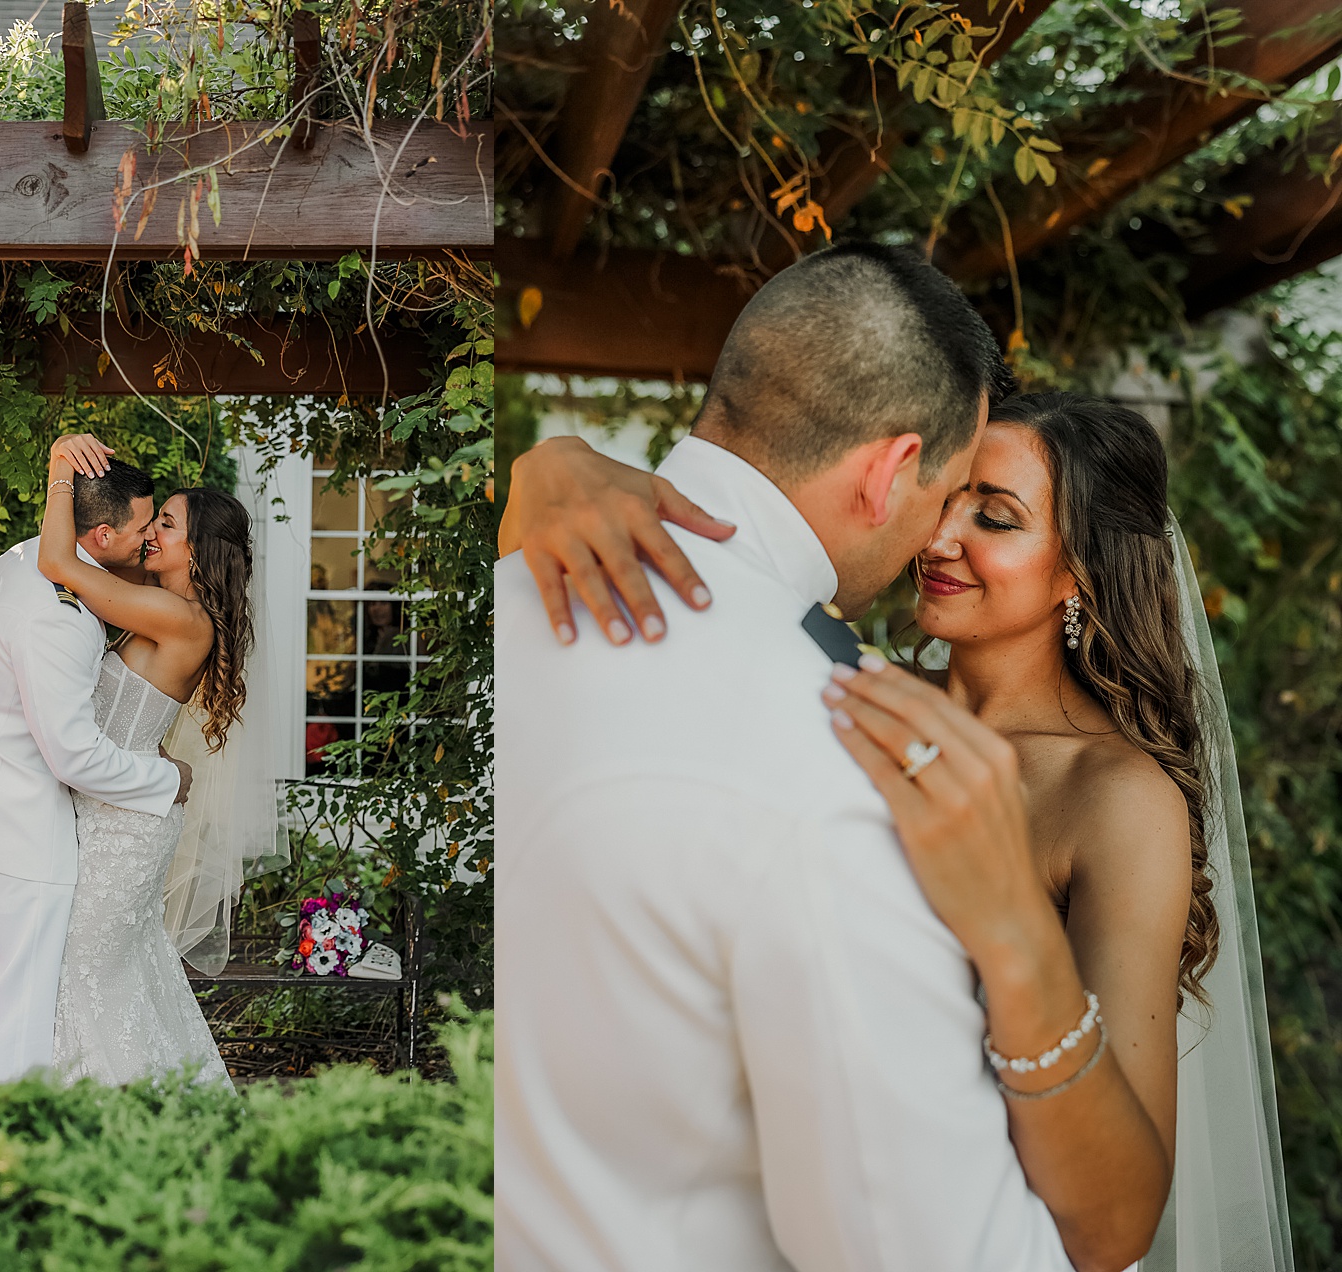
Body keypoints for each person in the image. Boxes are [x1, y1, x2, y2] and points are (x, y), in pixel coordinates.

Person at [502, 390, 1293, 1268]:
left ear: (1080, 571)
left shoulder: (1113, 793)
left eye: (994, 516)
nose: (942, 536)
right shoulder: (846, 685)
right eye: (946, 494)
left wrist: (1006, 925)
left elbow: (1123, 1202)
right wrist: (550, 468)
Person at [498, 240, 1092, 1271]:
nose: (936, 538)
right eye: (949, 493)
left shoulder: (506, 579)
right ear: (892, 470)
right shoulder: (848, 767)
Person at [0, 457, 192, 1083]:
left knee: (19, 988)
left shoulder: (25, 555)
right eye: (145, 524)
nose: (149, 538)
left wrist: (63, 467)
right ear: (102, 536)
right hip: (21, 825)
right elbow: (73, 754)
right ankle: (13, 1140)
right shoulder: (58, 615)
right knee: (26, 999)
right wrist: (168, 781)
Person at [37, 433, 257, 1088]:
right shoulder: (165, 606)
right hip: (112, 809)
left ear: (198, 548)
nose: (152, 531)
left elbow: (57, 559)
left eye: (167, 523)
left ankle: (124, 1129)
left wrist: (58, 466)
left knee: (88, 979)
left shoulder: (179, 617)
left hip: (125, 828)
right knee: (114, 981)